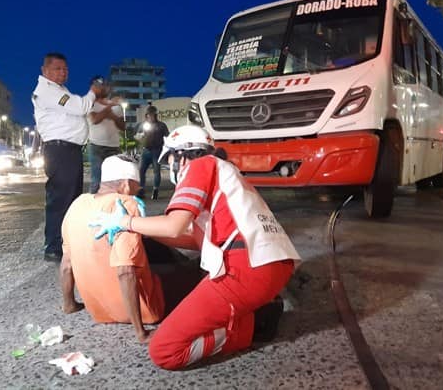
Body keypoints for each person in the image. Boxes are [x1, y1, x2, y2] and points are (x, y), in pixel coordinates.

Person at [91, 125, 301, 370]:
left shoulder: (199, 165)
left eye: (171, 159)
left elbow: (174, 226)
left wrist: (126, 222)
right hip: (273, 266)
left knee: (165, 351)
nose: (172, 166)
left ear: (182, 155)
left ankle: (253, 326)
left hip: (245, 271)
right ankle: (259, 313)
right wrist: (143, 229)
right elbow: (196, 241)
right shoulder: (226, 172)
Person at [60, 154, 164, 343]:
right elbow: (125, 272)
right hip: (144, 310)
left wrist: (69, 303)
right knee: (187, 271)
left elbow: (67, 263)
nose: (138, 189)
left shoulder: (78, 204)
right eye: (136, 185)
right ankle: (140, 326)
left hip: (100, 312)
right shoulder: (125, 204)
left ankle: (69, 305)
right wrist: (141, 332)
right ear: (125, 184)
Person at [32, 52, 106, 262]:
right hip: (60, 150)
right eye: (58, 69)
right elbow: (80, 106)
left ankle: (66, 242)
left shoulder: (58, 90)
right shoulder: (47, 91)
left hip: (68, 150)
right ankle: (54, 246)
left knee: (71, 199)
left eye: (65, 69)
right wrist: (93, 91)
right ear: (45, 71)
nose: (63, 73)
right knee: (60, 199)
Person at [87, 75, 125, 193]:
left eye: (105, 86)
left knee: (114, 181)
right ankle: (93, 207)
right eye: (99, 86)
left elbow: (123, 126)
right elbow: (94, 120)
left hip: (114, 147)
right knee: (96, 181)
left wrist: (111, 116)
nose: (104, 88)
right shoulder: (89, 104)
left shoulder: (116, 106)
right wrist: (109, 108)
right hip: (96, 146)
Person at [135, 104, 169, 200]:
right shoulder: (143, 125)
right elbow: (137, 135)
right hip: (146, 149)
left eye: (153, 114)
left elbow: (167, 136)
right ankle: (141, 189)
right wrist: (139, 137)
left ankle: (155, 190)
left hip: (157, 150)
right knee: (141, 170)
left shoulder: (161, 125)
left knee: (156, 171)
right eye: (149, 115)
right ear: (147, 115)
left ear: (155, 115)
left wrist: (167, 148)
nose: (151, 116)